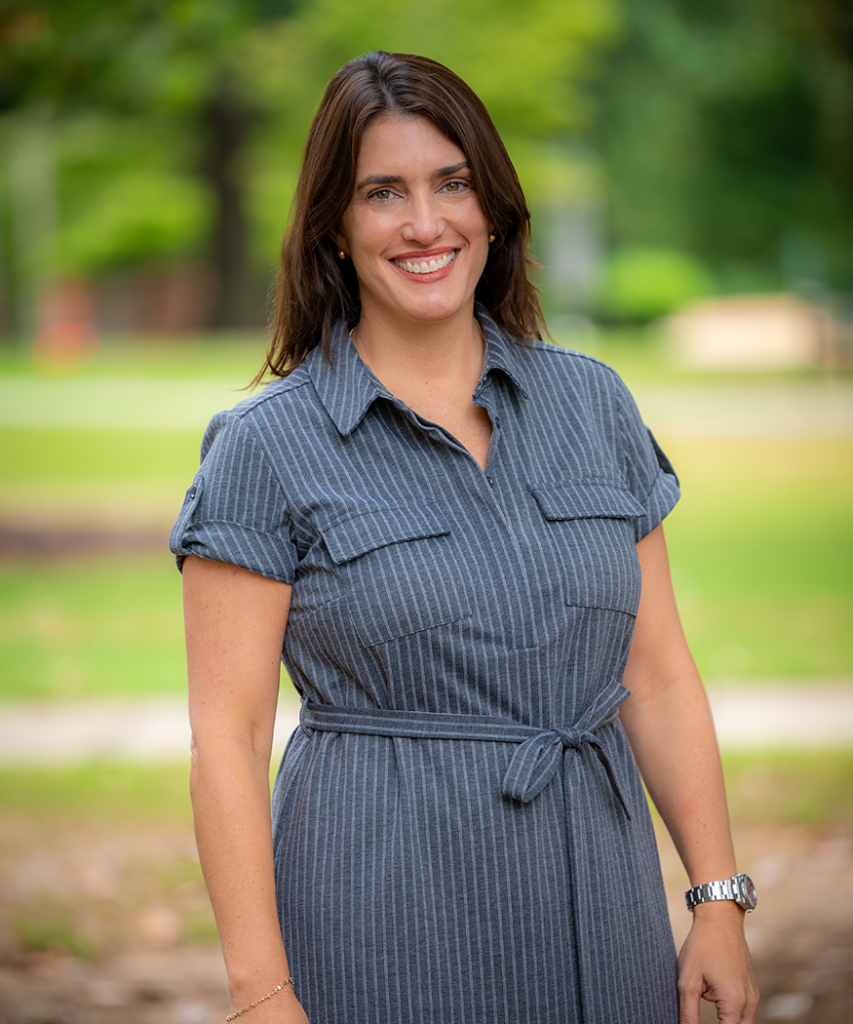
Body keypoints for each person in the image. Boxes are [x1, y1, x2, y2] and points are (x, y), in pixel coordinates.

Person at [171, 51, 759, 1024]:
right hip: (378, 920)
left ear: (494, 205)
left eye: (452, 182)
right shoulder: (265, 447)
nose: (424, 223)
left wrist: (717, 899)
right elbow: (225, 741)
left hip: (601, 909)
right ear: (334, 224)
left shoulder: (591, 402)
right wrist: (258, 992)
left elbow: (656, 675)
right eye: (382, 193)